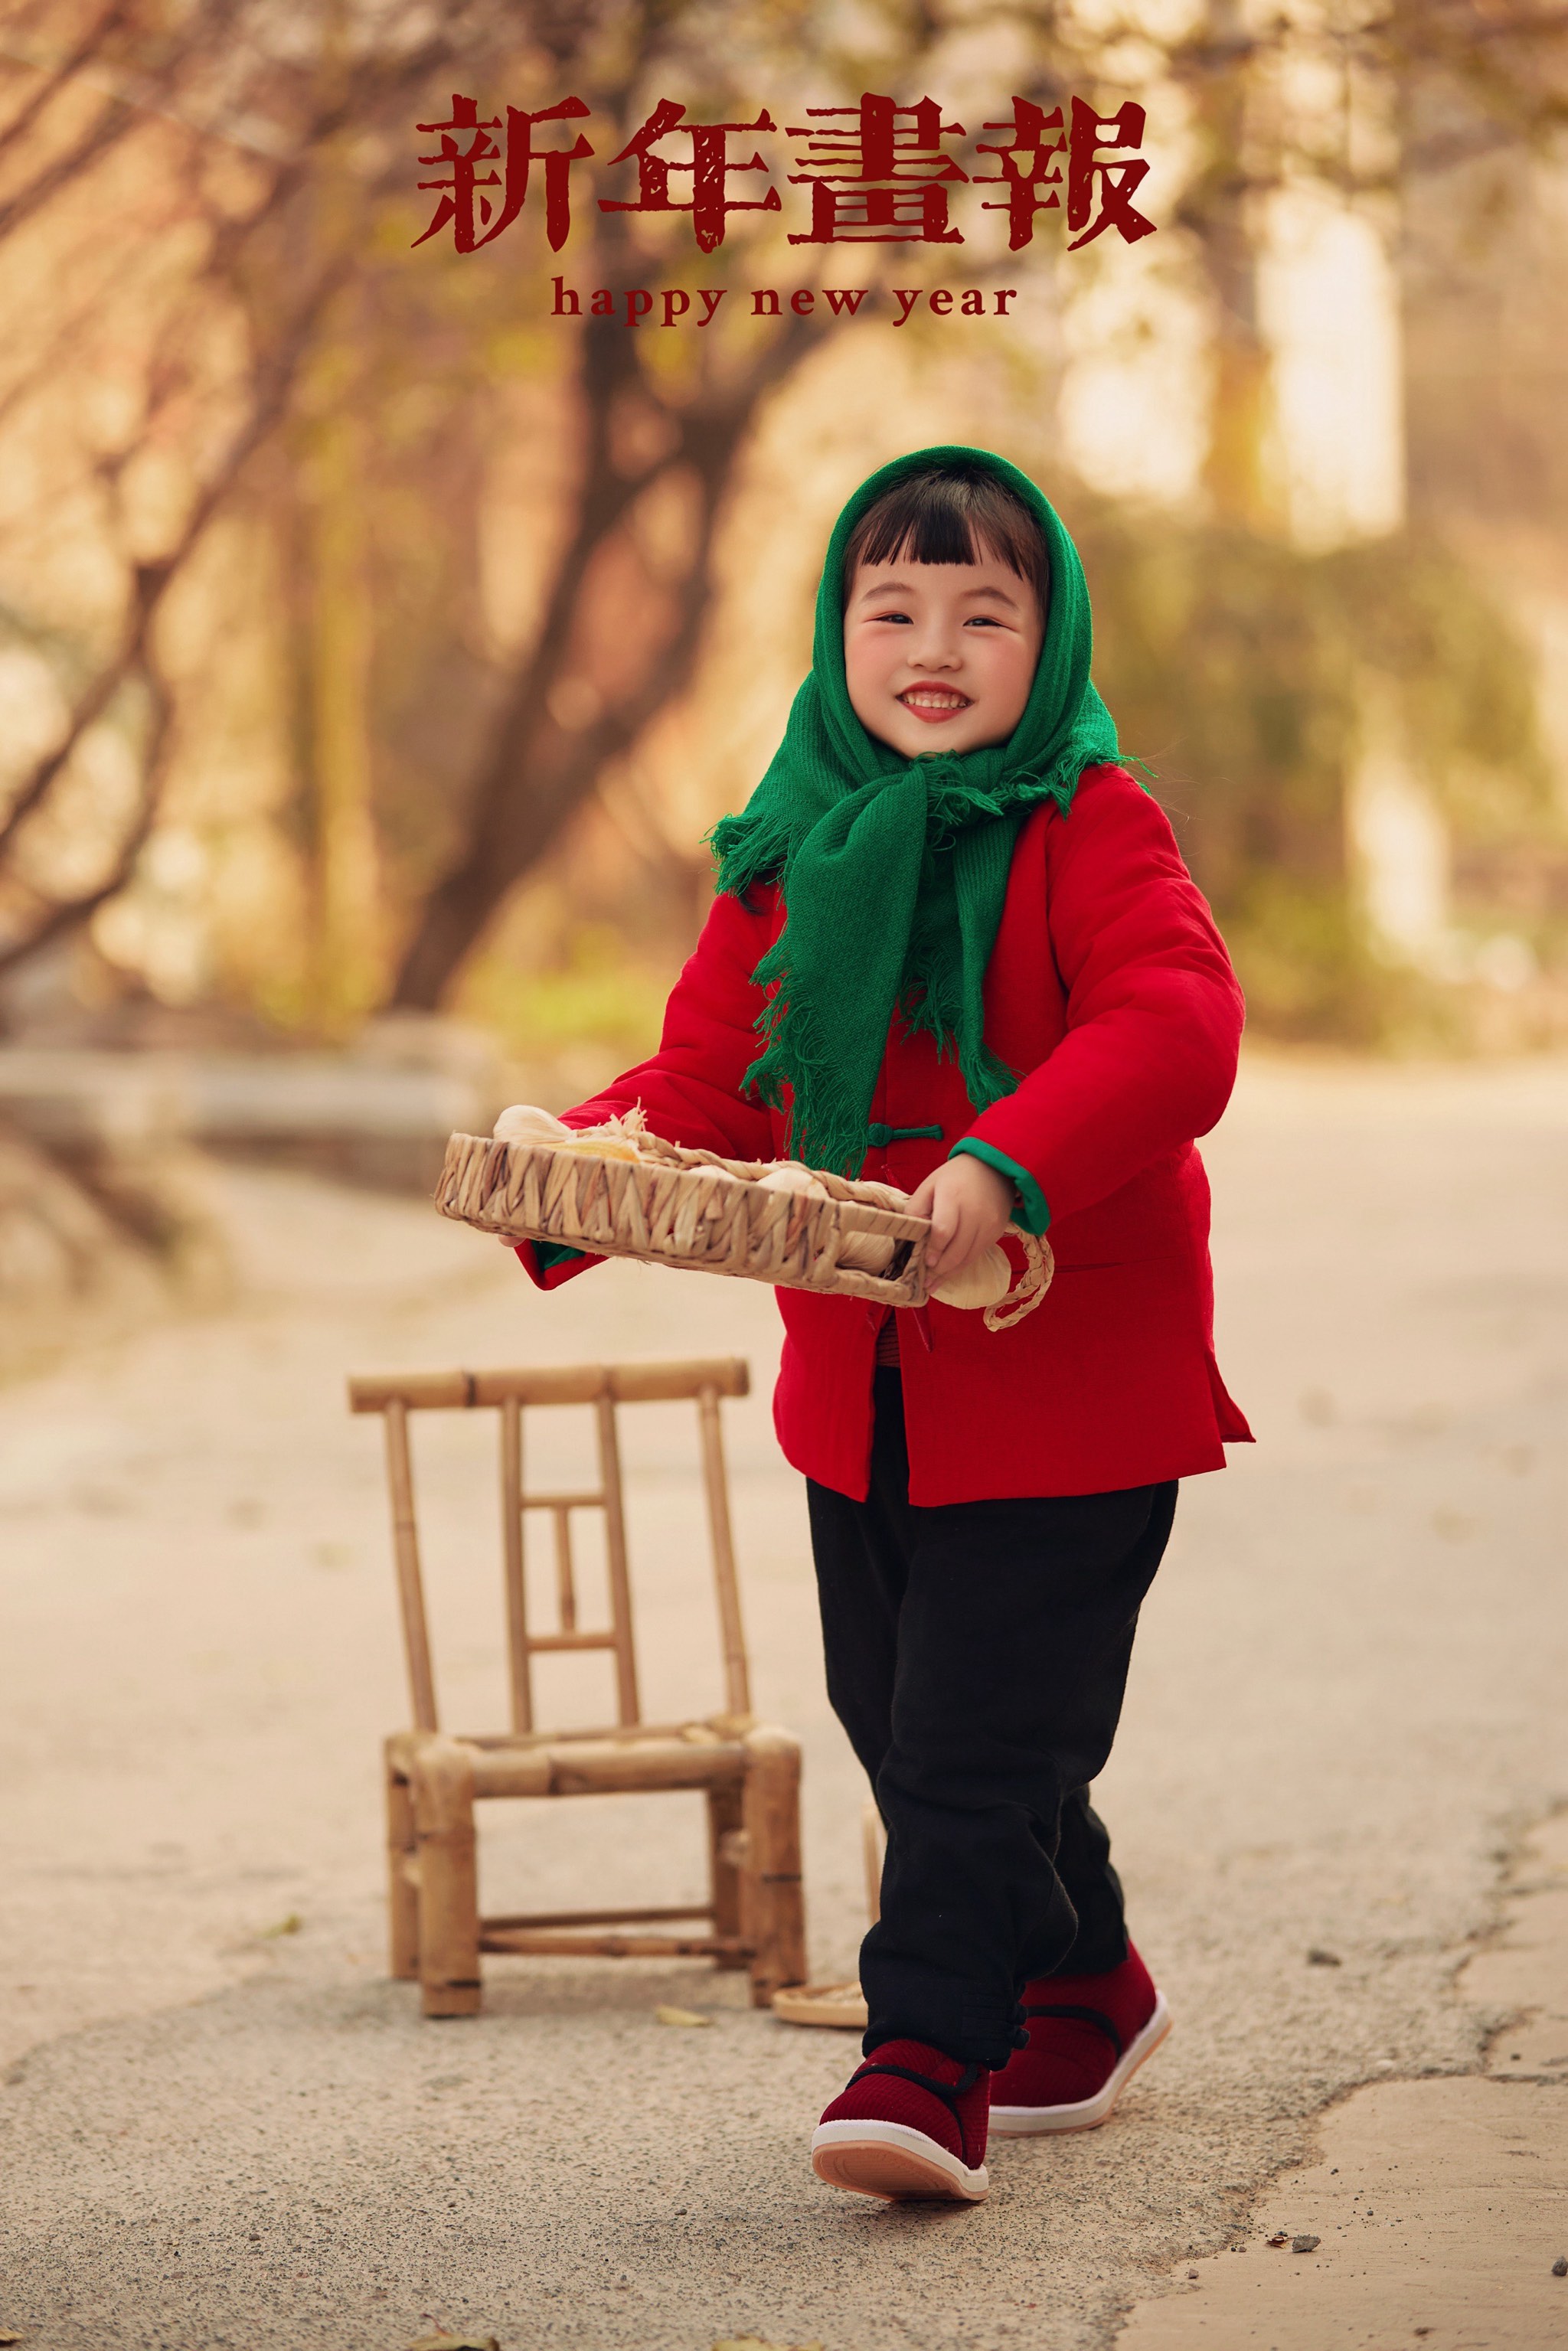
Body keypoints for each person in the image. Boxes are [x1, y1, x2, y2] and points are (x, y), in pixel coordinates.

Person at [517, 446, 1251, 2204]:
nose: (933, 645)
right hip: (866, 1395)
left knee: (972, 1743)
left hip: (1066, 1390)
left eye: (983, 613)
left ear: (1044, 638)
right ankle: (1085, 1980)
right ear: (840, 631)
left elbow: (1176, 1023)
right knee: (901, 1711)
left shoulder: (1089, 825)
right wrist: (581, 1166)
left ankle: (924, 2061)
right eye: (892, 607)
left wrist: (1009, 1160)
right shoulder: (788, 853)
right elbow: (714, 1084)